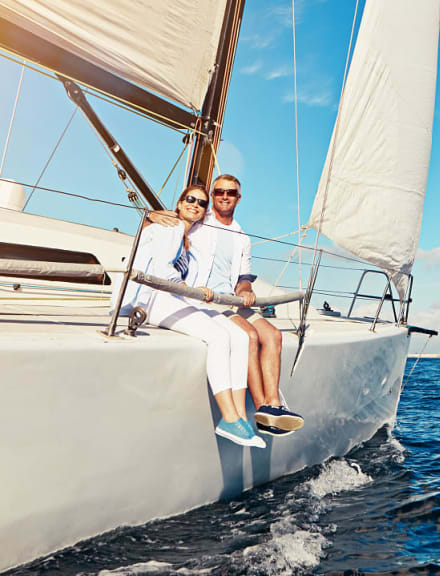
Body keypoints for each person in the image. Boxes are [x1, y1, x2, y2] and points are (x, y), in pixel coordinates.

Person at [149, 175, 304, 437]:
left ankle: (274, 406)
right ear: (213, 194)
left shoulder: (242, 237)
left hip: (233, 300)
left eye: (230, 193)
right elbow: (174, 219)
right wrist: (151, 215)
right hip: (208, 300)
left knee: (274, 336)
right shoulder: (200, 222)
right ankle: (262, 407)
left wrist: (246, 291)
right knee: (250, 336)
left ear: (238, 198)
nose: (224, 196)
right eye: (219, 191)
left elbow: (244, 278)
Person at [115, 184, 264, 448]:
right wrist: (150, 216)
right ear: (180, 202)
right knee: (218, 337)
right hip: (155, 299)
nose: (195, 204)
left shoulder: (188, 237)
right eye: (190, 199)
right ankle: (229, 418)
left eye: (201, 203)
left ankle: (240, 415)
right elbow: (161, 269)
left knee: (239, 337)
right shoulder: (168, 228)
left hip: (174, 297)